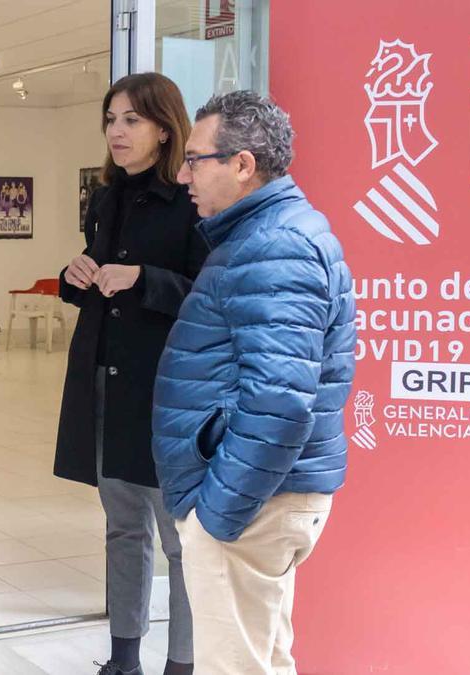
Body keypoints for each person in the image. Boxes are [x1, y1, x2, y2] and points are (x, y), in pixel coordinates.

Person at [153, 91, 356, 674]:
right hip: (267, 497)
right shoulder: (268, 236)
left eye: (196, 159)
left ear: (243, 164)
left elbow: (280, 401)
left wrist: (220, 511)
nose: (184, 173)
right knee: (263, 661)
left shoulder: (274, 247)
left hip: (252, 504)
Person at [55, 73, 208, 675]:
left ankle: (183, 663)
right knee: (123, 528)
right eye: (111, 119)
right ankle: (123, 658)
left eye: (131, 121)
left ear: (164, 128)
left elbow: (209, 295)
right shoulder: (107, 198)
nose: (116, 131)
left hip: (165, 389)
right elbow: (103, 290)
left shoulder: (192, 199)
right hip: (105, 380)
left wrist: (145, 279)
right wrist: (78, 278)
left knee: (181, 542)